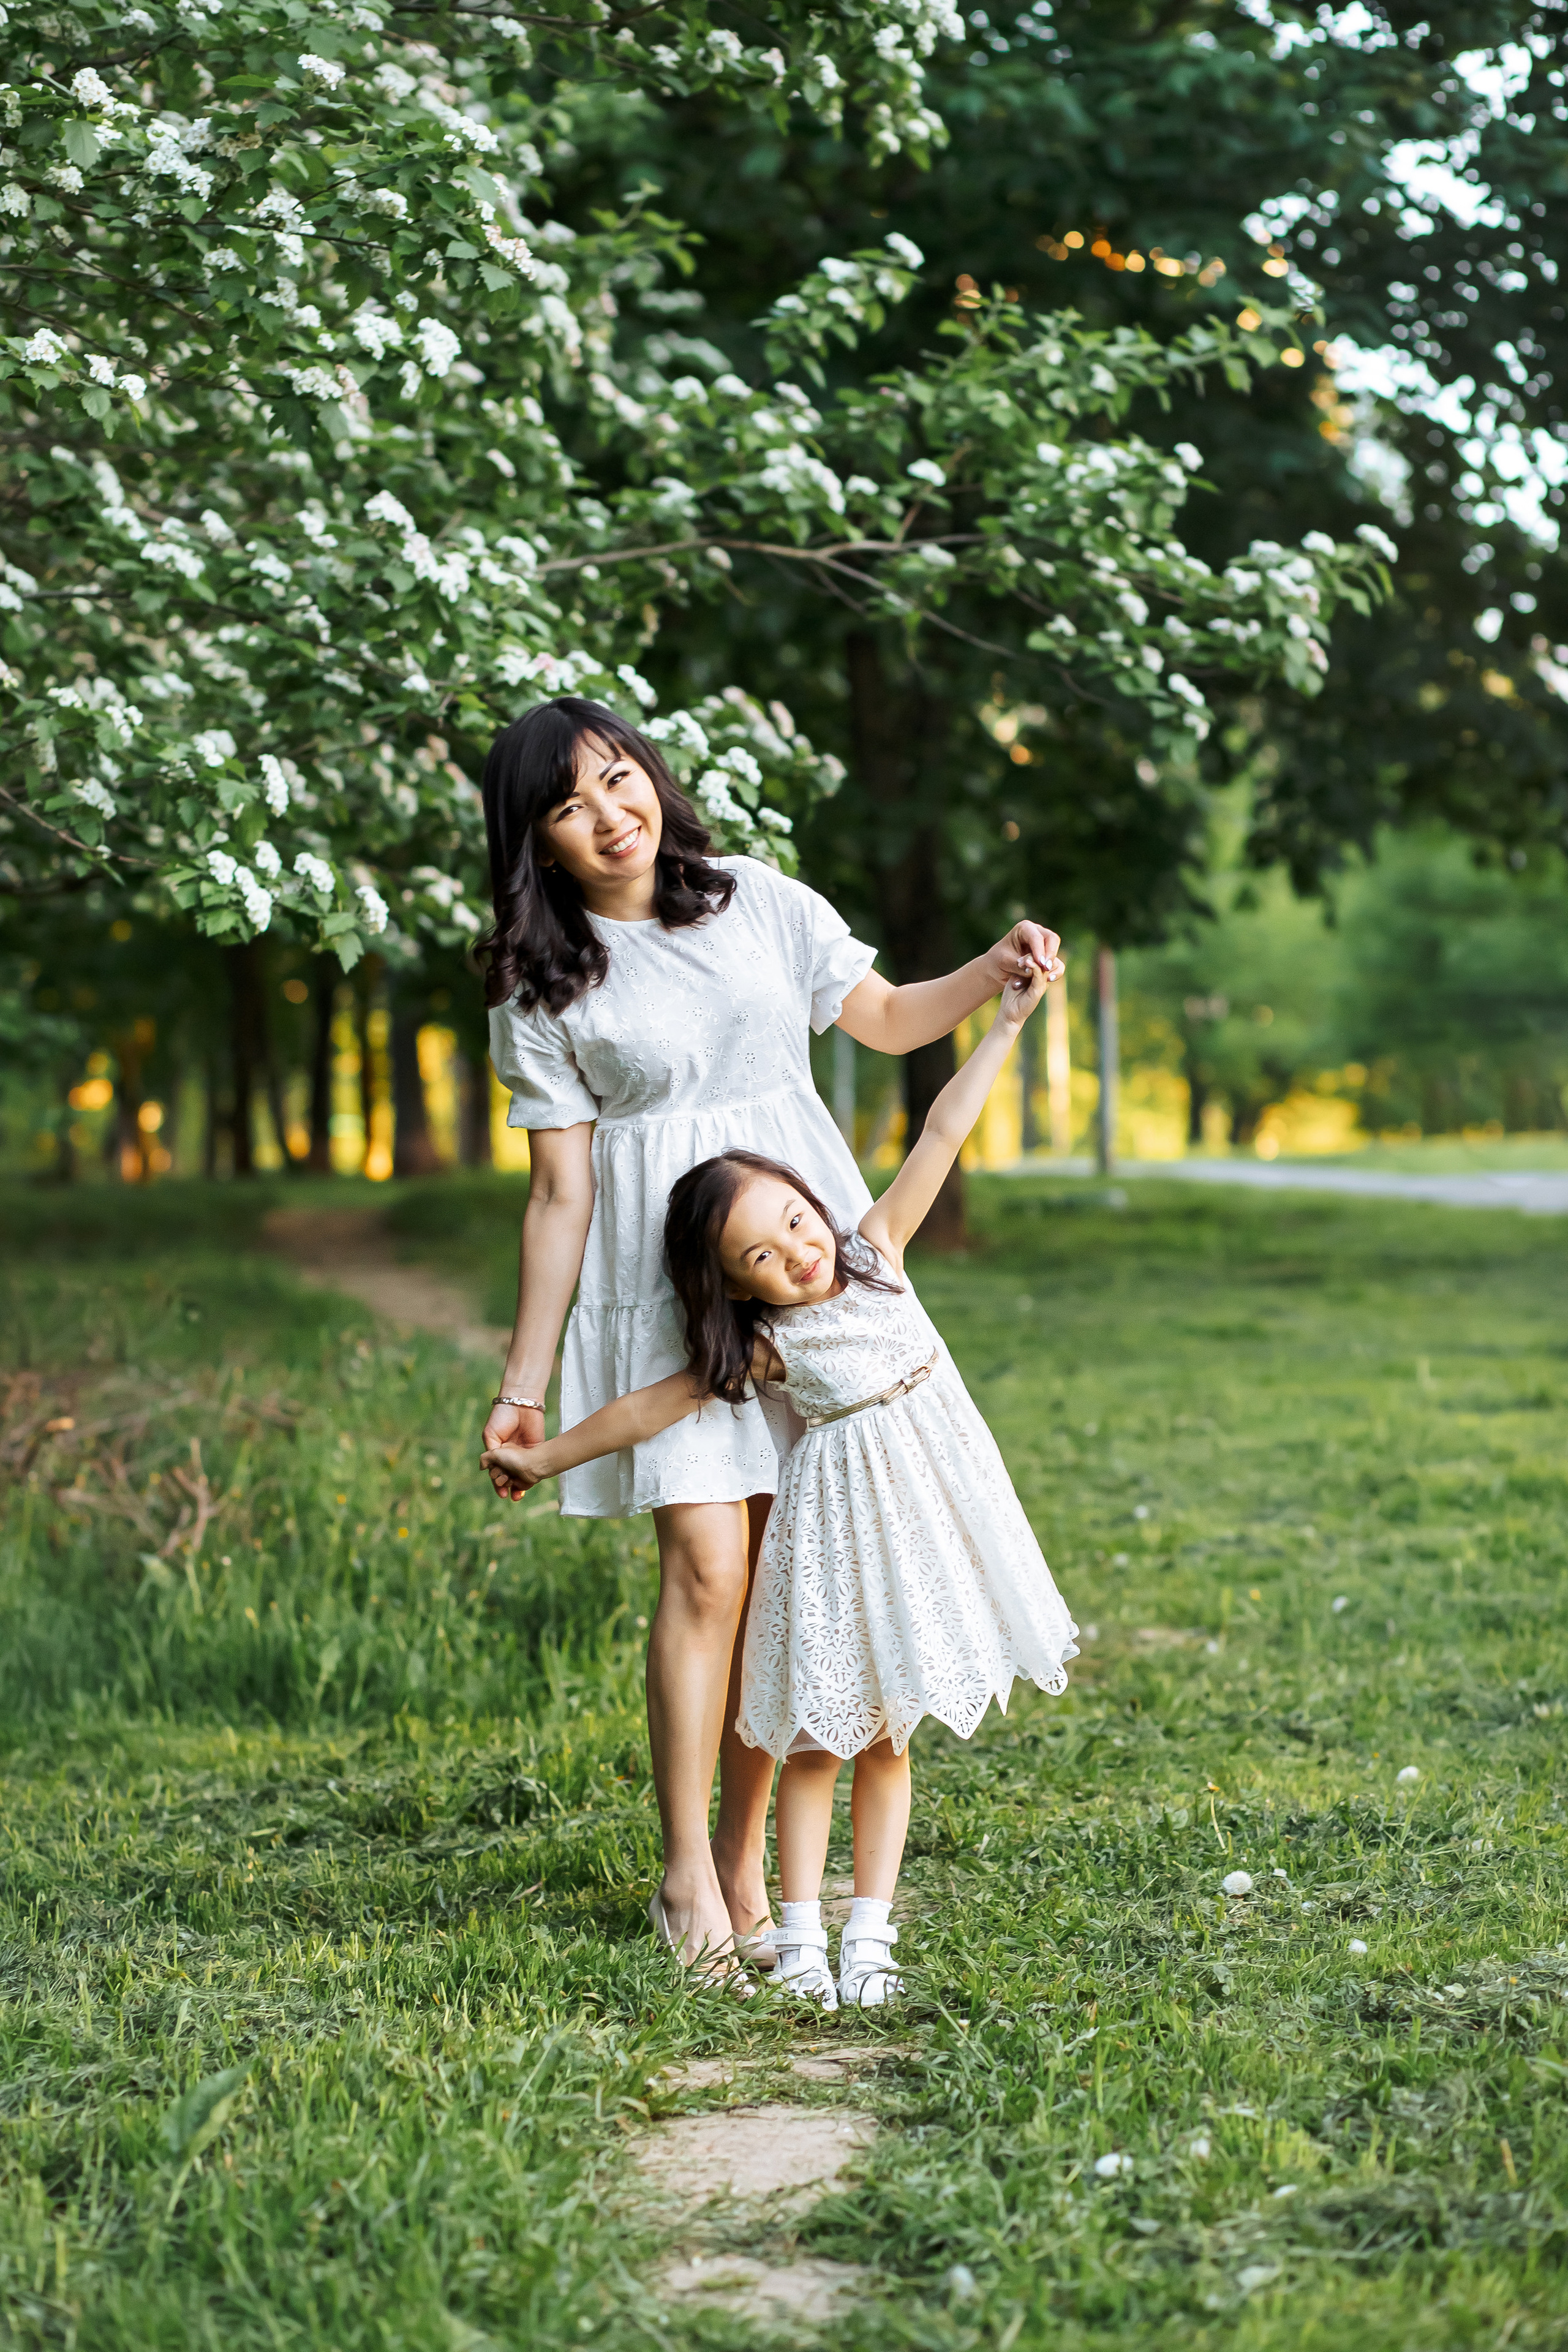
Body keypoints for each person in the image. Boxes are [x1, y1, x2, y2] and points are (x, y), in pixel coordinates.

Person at [478, 695, 1063, 1977]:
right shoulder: (545, 985)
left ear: (651, 779)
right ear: (537, 844)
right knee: (705, 1570)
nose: (607, 816)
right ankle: (688, 1876)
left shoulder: (756, 899)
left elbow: (894, 1016)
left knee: (782, 1577)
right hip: (665, 1284)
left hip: (800, 1266)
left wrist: (992, 972)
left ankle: (750, 1867)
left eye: (616, 780)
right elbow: (558, 1194)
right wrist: (525, 1386)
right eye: (567, 807)